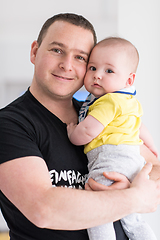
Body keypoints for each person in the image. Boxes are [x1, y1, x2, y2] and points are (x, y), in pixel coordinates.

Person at [0, 13, 160, 240]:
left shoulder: (100, 113)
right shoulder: (11, 124)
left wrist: (132, 183)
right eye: (57, 50)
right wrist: (133, 198)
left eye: (81, 58)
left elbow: (154, 166)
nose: (67, 65)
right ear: (35, 51)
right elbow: (44, 209)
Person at [67, 37, 158, 240]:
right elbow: (140, 129)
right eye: (92, 68)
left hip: (110, 161)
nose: (97, 76)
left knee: (98, 213)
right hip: (133, 162)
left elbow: (89, 130)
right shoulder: (130, 102)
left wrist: (73, 133)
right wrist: (151, 148)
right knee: (132, 220)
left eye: (108, 71)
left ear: (129, 80)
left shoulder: (107, 102)